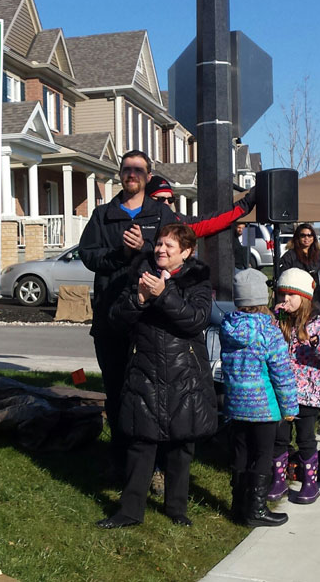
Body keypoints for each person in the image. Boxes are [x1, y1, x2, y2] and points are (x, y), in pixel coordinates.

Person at [96, 223, 217, 528]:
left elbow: (196, 320)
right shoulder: (140, 273)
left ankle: (177, 509)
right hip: (145, 368)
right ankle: (129, 511)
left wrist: (164, 295)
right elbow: (115, 321)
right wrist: (137, 299)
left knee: (181, 443)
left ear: (186, 253)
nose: (161, 249)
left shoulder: (198, 279)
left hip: (185, 371)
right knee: (141, 442)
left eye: (169, 246)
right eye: (160, 244)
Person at [79, 152, 179, 482]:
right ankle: (121, 460)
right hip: (111, 318)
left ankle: (157, 464)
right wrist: (121, 253)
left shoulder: (160, 213)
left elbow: (175, 256)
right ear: (120, 175)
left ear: (148, 177)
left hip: (151, 319)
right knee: (118, 390)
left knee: (154, 391)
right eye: (127, 169)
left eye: (139, 170)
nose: (132, 174)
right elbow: (88, 256)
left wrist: (145, 249)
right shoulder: (103, 215)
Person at [220, 267, 298, 527]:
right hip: (264, 407)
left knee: (241, 453)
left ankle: (238, 506)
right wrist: (289, 407)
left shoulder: (227, 327)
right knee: (263, 455)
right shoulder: (269, 332)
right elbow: (282, 374)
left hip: (235, 404)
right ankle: (256, 510)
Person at [268, 268, 320, 505]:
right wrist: (274, 318)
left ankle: (311, 483)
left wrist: (317, 343)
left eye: (290, 295)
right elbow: (267, 342)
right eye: (281, 295)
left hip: (306, 395)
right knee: (279, 438)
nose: (285, 300)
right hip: (281, 393)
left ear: (304, 298)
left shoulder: (316, 325)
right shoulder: (279, 322)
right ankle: (279, 480)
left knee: (306, 439)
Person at [145, 174, 257, 240]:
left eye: (170, 200)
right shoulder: (134, 220)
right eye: (160, 199)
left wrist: (246, 203)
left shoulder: (178, 222)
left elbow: (212, 221)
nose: (166, 203)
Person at [277, 223, 320, 314]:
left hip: (316, 295)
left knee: (317, 317)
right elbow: (283, 274)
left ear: (313, 237)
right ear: (297, 238)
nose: (306, 238)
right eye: (303, 235)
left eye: (309, 235)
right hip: (298, 296)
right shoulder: (290, 256)